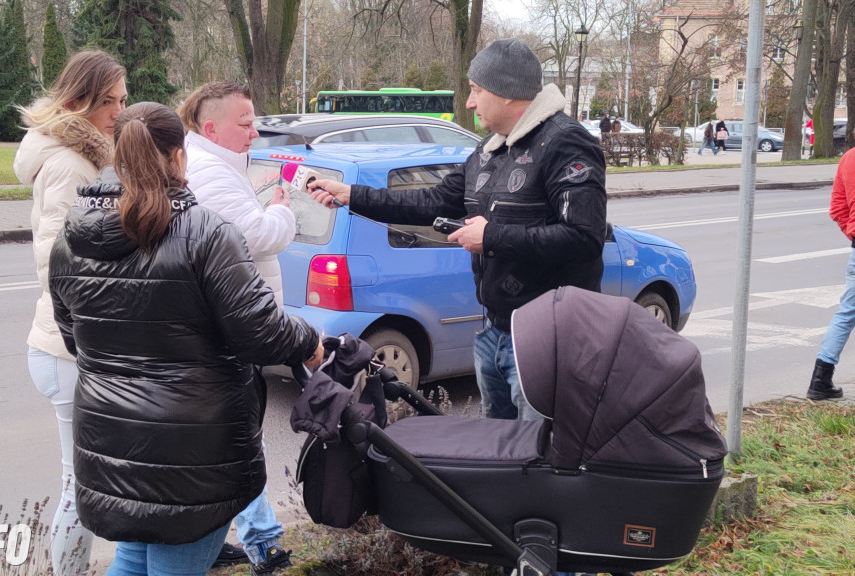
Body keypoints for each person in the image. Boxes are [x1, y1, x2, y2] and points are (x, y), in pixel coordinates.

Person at [48, 101, 323, 576]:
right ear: (180, 158)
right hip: (193, 455)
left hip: (111, 438)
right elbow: (261, 332)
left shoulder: (71, 238)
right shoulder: (205, 233)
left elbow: (75, 338)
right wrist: (310, 341)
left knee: (134, 556)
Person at [306, 38, 607, 424]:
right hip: (495, 335)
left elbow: (584, 238)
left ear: (506, 93)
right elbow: (432, 201)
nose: (469, 102)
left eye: (476, 91)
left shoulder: (567, 142)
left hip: (549, 340)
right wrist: (351, 195)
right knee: (497, 457)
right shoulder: (489, 150)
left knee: (540, 460)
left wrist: (491, 237)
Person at [13, 48, 127, 576]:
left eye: (124, 101)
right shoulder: (68, 164)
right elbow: (56, 264)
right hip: (68, 347)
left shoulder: (86, 156)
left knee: (87, 479)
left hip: (68, 344)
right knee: (77, 484)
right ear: (79, 101)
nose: (119, 113)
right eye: (111, 102)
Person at [177, 82, 296, 574]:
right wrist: (284, 208)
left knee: (237, 438)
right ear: (211, 129)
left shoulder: (217, 165)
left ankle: (226, 538)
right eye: (244, 122)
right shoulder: (211, 173)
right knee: (242, 438)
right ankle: (261, 544)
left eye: (254, 120)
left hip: (229, 323)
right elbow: (259, 238)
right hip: (231, 328)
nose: (255, 130)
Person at [807, 146, 855, 401]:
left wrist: (853, 233)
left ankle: (820, 379)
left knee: (847, 313)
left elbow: (837, 207)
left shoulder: (848, 158)